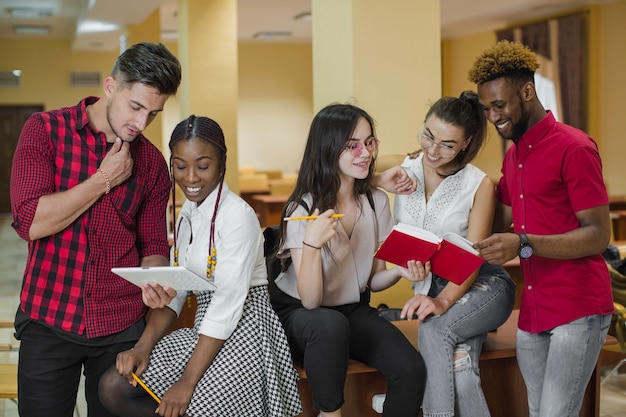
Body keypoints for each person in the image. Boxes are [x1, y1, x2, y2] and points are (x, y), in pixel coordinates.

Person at [9, 42, 182, 417]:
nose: (141, 123)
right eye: (135, 107)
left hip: (121, 328)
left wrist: (154, 280)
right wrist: (104, 178)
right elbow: (30, 221)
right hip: (48, 316)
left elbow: (152, 242)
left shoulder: (152, 164)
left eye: (153, 113)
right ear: (110, 87)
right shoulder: (45, 131)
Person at [98, 115, 302, 417]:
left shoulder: (237, 217)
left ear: (222, 163)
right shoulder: (186, 217)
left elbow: (227, 304)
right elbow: (178, 292)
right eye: (180, 166)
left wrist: (187, 381)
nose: (190, 178)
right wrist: (143, 346)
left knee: (192, 404)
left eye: (202, 166)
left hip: (246, 332)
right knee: (114, 386)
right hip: (204, 330)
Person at [470, 40, 614, 417]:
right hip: (533, 311)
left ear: (528, 91)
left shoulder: (574, 147)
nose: (493, 116)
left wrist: (523, 244)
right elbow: (496, 223)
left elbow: (599, 235)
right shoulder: (514, 156)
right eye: (486, 109)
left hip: (577, 307)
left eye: (499, 105)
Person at [270, 103, 426, 417]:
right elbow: (311, 301)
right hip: (301, 313)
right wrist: (312, 246)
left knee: (411, 369)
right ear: (328, 149)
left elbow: (374, 281)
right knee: (330, 325)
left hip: (351, 310)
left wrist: (399, 272)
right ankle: (330, 414)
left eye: (369, 142)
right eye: (352, 145)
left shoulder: (376, 200)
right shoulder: (303, 209)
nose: (365, 153)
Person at [380, 92, 516, 417]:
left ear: (466, 143)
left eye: (447, 144)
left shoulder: (479, 185)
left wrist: (442, 302)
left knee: (434, 329)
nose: (432, 150)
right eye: (428, 135)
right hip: (434, 291)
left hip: (482, 286)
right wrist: (379, 179)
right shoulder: (404, 165)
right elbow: (347, 175)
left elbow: (473, 255)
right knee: (460, 365)